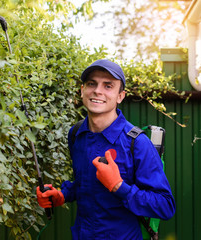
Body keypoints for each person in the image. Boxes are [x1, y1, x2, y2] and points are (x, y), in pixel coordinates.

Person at [36, 59, 175, 239]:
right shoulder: (77, 134)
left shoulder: (137, 143)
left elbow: (165, 206)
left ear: (120, 96)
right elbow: (84, 184)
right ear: (82, 91)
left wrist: (118, 186)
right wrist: (62, 195)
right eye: (91, 84)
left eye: (108, 86)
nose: (98, 91)